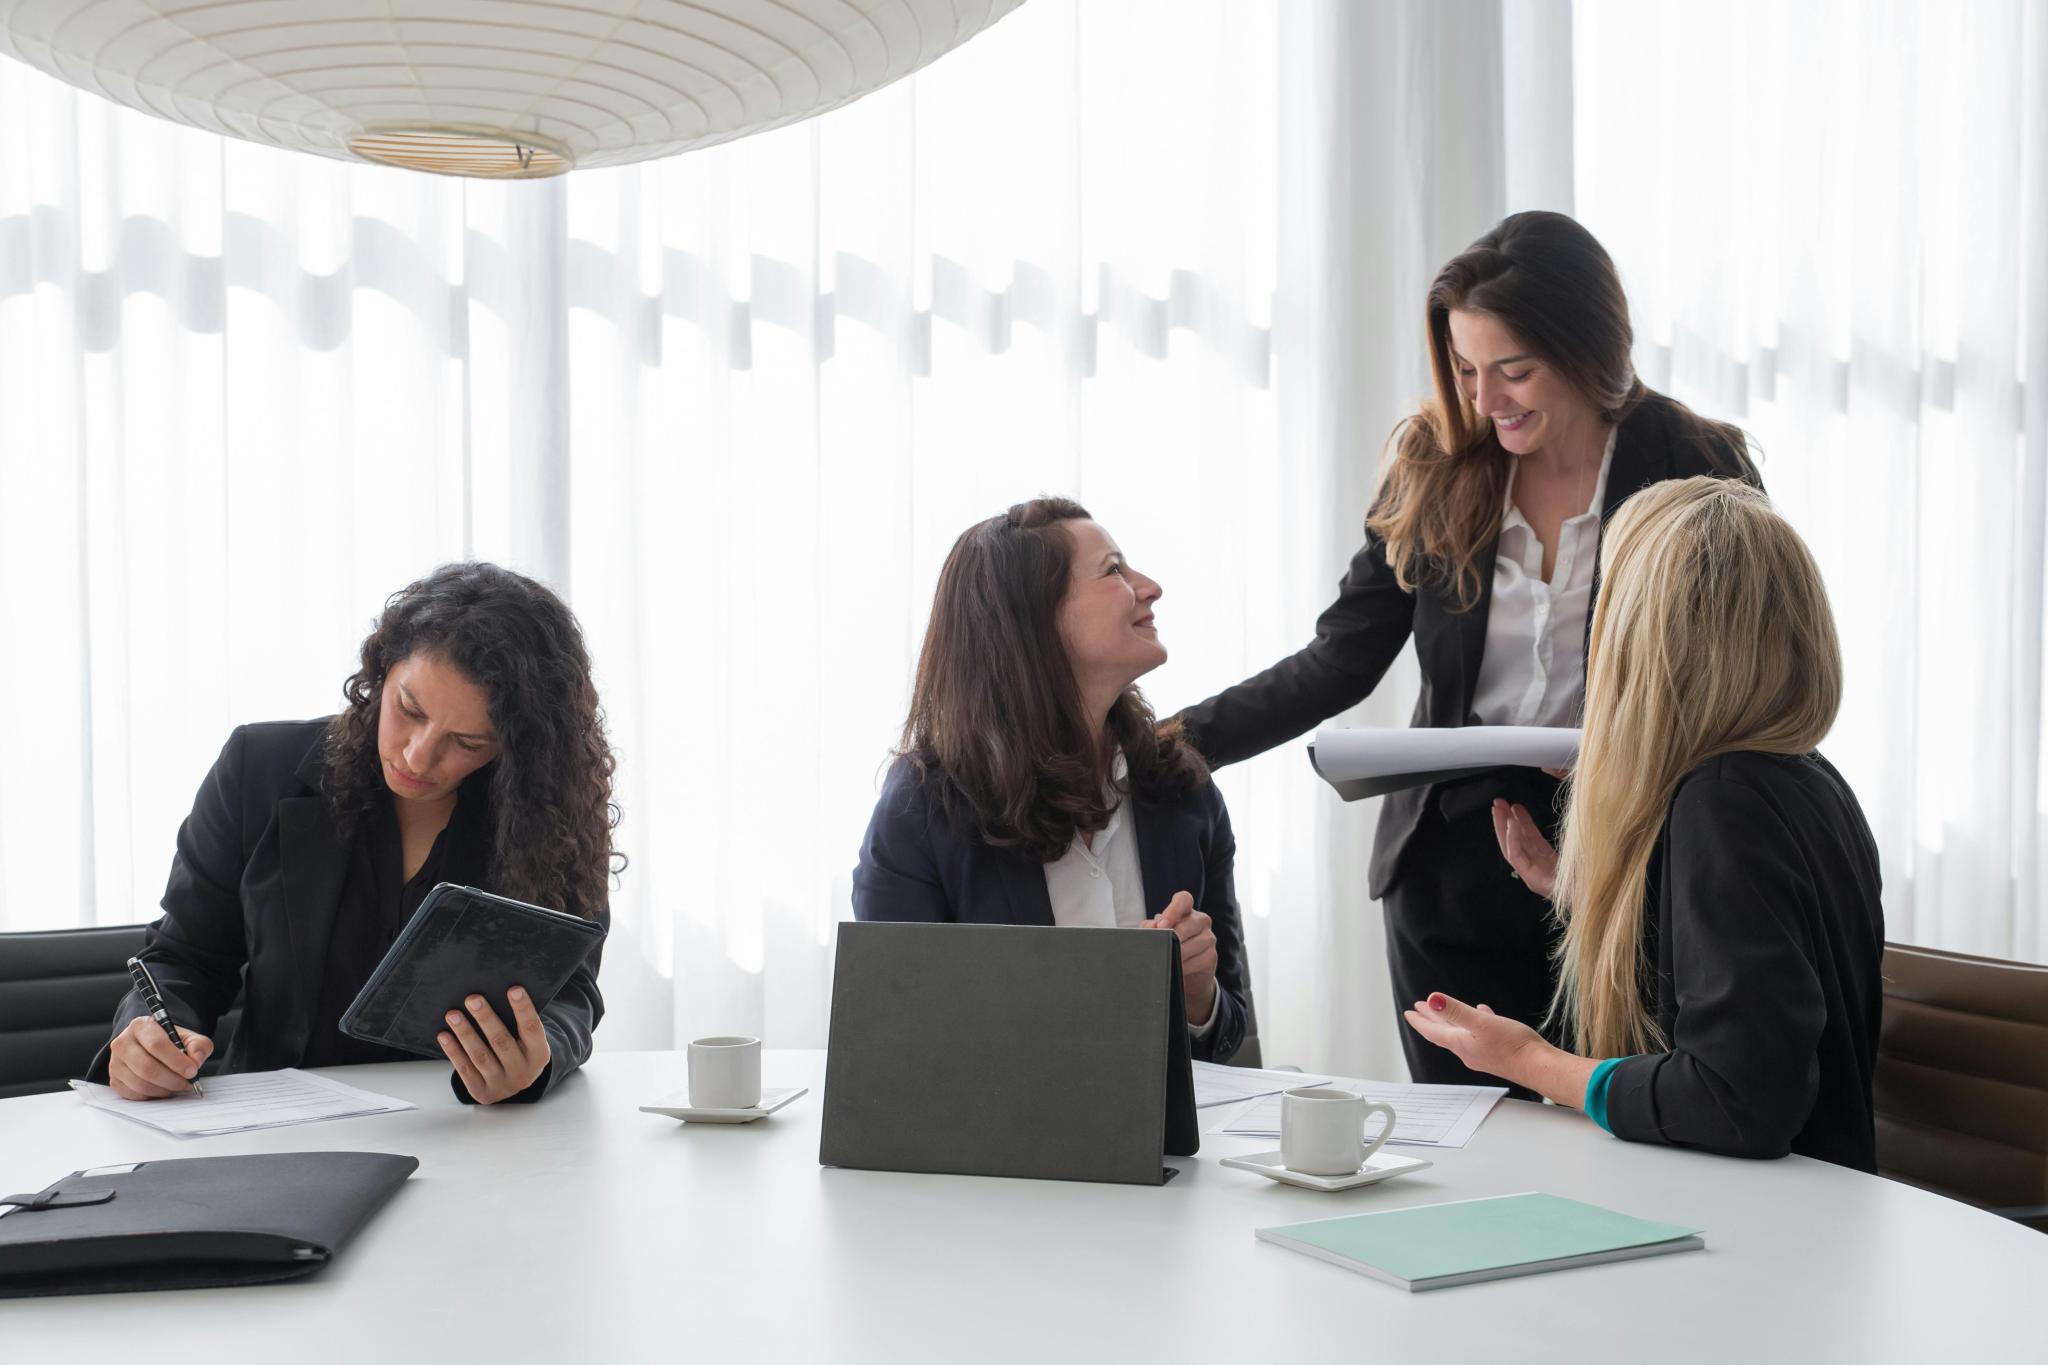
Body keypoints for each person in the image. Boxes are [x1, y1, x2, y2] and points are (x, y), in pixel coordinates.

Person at [1173, 210, 1757, 1088]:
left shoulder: (1700, 466)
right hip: (1447, 866)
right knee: (1469, 1144)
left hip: (1624, 855)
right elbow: (1339, 658)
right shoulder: (1436, 465)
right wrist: (1174, 743)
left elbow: (1742, 678)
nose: (1485, 401)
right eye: (1465, 368)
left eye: (1514, 370)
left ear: (1588, 348)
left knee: (1620, 1124)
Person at [1404, 478, 1884, 1170]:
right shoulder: (1807, 778)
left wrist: (1529, 1059)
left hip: (1770, 1237)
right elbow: (1748, 973)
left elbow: (1735, 1095)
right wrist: (1591, 891)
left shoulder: (1725, 801)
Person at [90, 562, 621, 1105]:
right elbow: (184, 957)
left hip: (463, 1124)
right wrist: (147, 1038)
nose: (418, 756)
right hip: (271, 1126)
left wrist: (538, 1057)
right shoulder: (258, 769)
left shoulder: (552, 813)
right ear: (381, 671)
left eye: (466, 741)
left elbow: (570, 987)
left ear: (515, 746)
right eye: (409, 710)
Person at [853, 497, 1257, 1064]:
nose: (1150, 587)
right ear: (1035, 618)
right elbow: (892, 1040)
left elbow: (1228, 1032)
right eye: (1114, 570)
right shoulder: (924, 806)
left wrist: (1198, 997)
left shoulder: (1183, 790)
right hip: (993, 1149)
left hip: (1167, 1151)